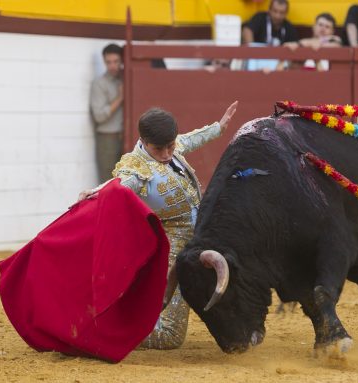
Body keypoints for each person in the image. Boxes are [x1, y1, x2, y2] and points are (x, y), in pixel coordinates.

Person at [78, 101, 238, 350]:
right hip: (173, 249)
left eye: (171, 146)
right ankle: (110, 331)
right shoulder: (136, 169)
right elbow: (117, 186)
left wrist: (219, 127)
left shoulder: (171, 148)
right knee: (170, 335)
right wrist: (94, 192)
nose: (166, 154)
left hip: (201, 235)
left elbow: (189, 140)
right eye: (159, 149)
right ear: (143, 141)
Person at [90, 43, 124, 183]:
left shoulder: (125, 79)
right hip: (107, 139)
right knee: (107, 182)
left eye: (116, 61)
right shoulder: (99, 83)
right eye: (108, 62)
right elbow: (99, 116)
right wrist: (121, 98)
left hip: (125, 137)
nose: (112, 66)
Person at [277, 13, 341, 72]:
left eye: (327, 27)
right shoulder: (303, 43)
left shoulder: (335, 43)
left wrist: (300, 44)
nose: (323, 29)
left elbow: (336, 43)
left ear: (332, 32)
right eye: (320, 25)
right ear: (313, 27)